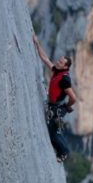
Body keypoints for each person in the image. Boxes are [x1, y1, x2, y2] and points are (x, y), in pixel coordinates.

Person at [32, 34, 77, 163]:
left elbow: (73, 97)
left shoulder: (64, 79)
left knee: (55, 134)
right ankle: (62, 149)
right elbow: (45, 59)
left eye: (61, 62)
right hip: (53, 106)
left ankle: (64, 152)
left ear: (65, 67)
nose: (58, 62)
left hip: (57, 108)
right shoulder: (58, 71)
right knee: (53, 131)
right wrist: (37, 44)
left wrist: (67, 106)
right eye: (59, 60)